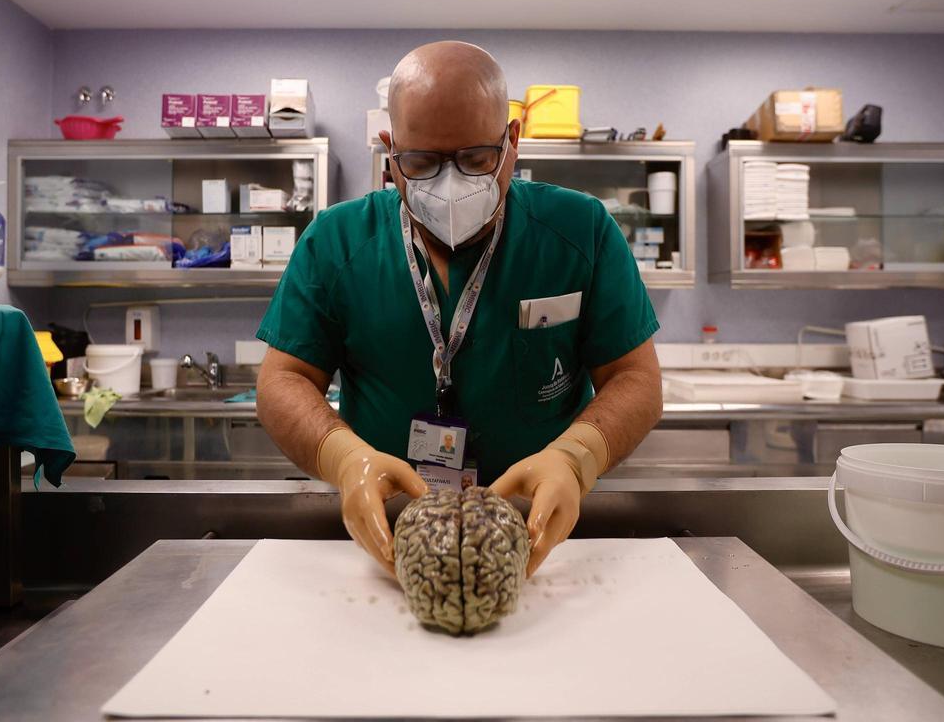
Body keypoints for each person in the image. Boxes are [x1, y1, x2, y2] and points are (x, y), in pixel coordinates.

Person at [256, 41, 663, 577]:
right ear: (390, 152)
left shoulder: (580, 231)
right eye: (422, 163)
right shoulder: (336, 241)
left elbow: (636, 378)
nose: (450, 186)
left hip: (544, 538)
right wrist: (344, 460)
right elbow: (282, 380)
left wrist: (575, 459)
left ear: (512, 142)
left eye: (476, 159)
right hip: (388, 538)